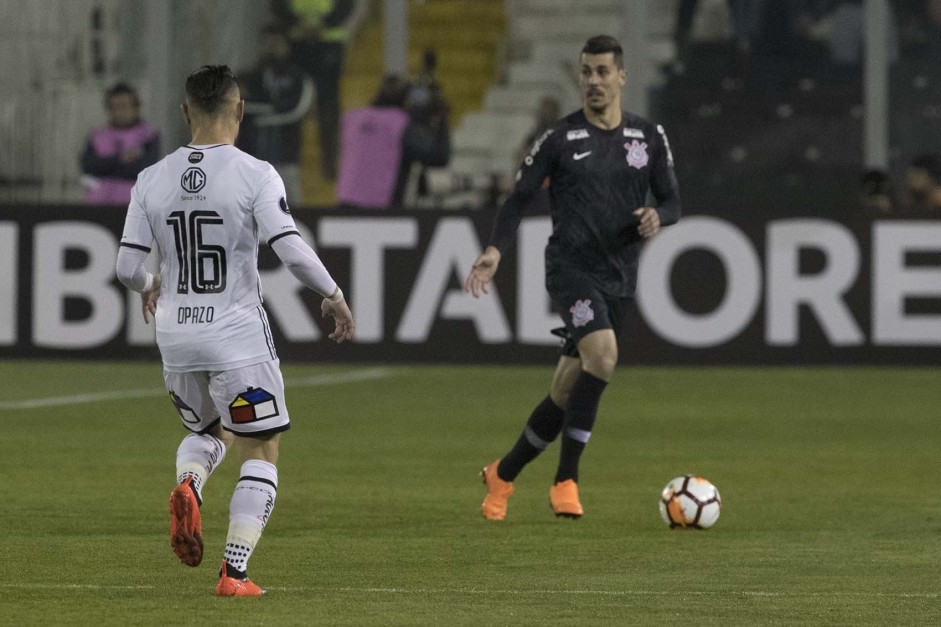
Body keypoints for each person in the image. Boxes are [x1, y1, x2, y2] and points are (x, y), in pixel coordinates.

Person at [115, 65, 354, 596]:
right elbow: (290, 250)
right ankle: (235, 573)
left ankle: (190, 482)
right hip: (237, 339)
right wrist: (334, 296)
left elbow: (128, 271)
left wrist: (154, 281)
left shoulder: (149, 178)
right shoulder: (256, 173)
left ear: (185, 113)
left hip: (176, 341)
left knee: (209, 431)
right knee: (261, 450)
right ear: (240, 109)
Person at [464, 35, 681, 521]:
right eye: (586, 72)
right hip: (570, 269)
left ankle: (504, 472)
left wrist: (657, 217)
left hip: (619, 274)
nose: (594, 81)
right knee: (602, 357)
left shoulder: (648, 137)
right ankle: (567, 480)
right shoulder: (560, 139)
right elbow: (519, 198)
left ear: (622, 77)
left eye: (603, 72)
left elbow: (673, 202)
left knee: (567, 389)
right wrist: (496, 249)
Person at [271, 0, 360, 181]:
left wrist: (323, 23)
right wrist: (297, 22)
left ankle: (331, 169)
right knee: (293, 106)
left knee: (328, 107)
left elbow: (347, 4)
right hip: (298, 43)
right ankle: (291, 166)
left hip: (327, 41)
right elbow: (277, 4)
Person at [335, 74, 450, 209]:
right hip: (381, 212)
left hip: (344, 208)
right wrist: (442, 119)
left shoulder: (351, 119)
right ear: (406, 98)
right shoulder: (400, 124)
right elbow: (439, 156)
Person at [237, 24, 315, 206]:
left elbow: (296, 108)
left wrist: (261, 114)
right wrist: (269, 108)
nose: (271, 48)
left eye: (276, 43)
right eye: (267, 43)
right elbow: (238, 105)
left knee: (293, 207)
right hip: (254, 156)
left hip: (286, 154)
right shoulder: (251, 76)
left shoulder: (298, 77)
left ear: (286, 46)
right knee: (252, 206)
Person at [80, 82, 160, 205]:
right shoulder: (97, 136)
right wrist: (120, 159)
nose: (119, 112)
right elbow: (89, 166)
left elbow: (145, 169)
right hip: (100, 206)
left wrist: (105, 169)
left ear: (135, 108)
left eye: (124, 106)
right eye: (114, 107)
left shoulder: (148, 136)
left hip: (136, 208)